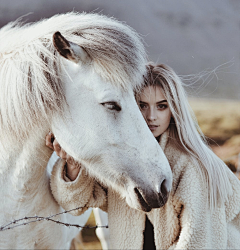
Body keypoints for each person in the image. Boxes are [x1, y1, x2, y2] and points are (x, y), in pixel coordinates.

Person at [47, 63, 240, 249]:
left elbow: (198, 243)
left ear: (174, 110)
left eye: (162, 106)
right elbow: (76, 203)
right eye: (142, 105)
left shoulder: (192, 165)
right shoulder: (128, 160)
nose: (151, 116)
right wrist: (72, 164)